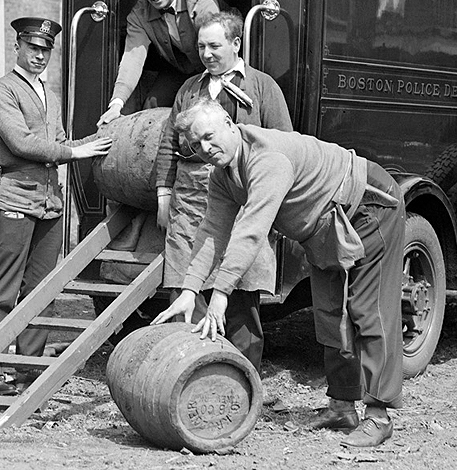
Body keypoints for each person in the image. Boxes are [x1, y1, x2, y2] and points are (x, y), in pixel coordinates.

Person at [152, 99, 405, 448]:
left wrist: (221, 295)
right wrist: (190, 290)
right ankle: (343, 406)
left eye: (210, 137)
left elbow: (251, 231)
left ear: (229, 122)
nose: (206, 149)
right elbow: (212, 232)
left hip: (368, 207)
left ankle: (379, 416)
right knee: (332, 313)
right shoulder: (223, 175)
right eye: (196, 145)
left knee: (368, 311)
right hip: (324, 226)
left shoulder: (267, 159)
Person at [0, 16, 112, 392]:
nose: (39, 56)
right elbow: (22, 144)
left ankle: (28, 369)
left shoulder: (49, 96)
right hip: (15, 198)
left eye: (45, 50)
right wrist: (76, 151)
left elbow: (61, 140)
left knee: (42, 290)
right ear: (17, 47)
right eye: (33, 48)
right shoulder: (2, 91)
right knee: (2, 287)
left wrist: (101, 138)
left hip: (51, 202)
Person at [155, 11, 292, 370]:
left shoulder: (262, 87)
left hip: (242, 204)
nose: (207, 53)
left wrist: (274, 210)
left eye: (215, 45)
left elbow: (284, 144)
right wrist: (162, 194)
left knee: (242, 299)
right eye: (201, 46)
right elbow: (169, 143)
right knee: (186, 290)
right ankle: (186, 376)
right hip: (190, 204)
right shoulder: (189, 89)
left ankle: (243, 383)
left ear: (236, 44)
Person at [97, 0, 226, 126]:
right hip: (180, 68)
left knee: (201, 112)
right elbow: (132, 59)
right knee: (151, 106)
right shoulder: (139, 14)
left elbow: (218, 51)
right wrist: (116, 104)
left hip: (216, 67)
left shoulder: (201, 4)